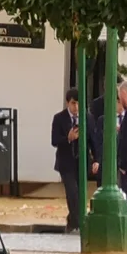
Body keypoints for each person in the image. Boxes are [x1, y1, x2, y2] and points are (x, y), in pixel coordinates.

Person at [52, 89, 83, 231]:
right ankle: (77, 224)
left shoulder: (86, 117)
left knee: (80, 195)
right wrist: (68, 139)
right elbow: (54, 141)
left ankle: (73, 221)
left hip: (81, 163)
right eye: (73, 103)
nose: (76, 107)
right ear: (67, 103)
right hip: (65, 163)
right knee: (72, 193)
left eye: (78, 103)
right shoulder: (59, 118)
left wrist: (96, 159)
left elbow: (92, 140)